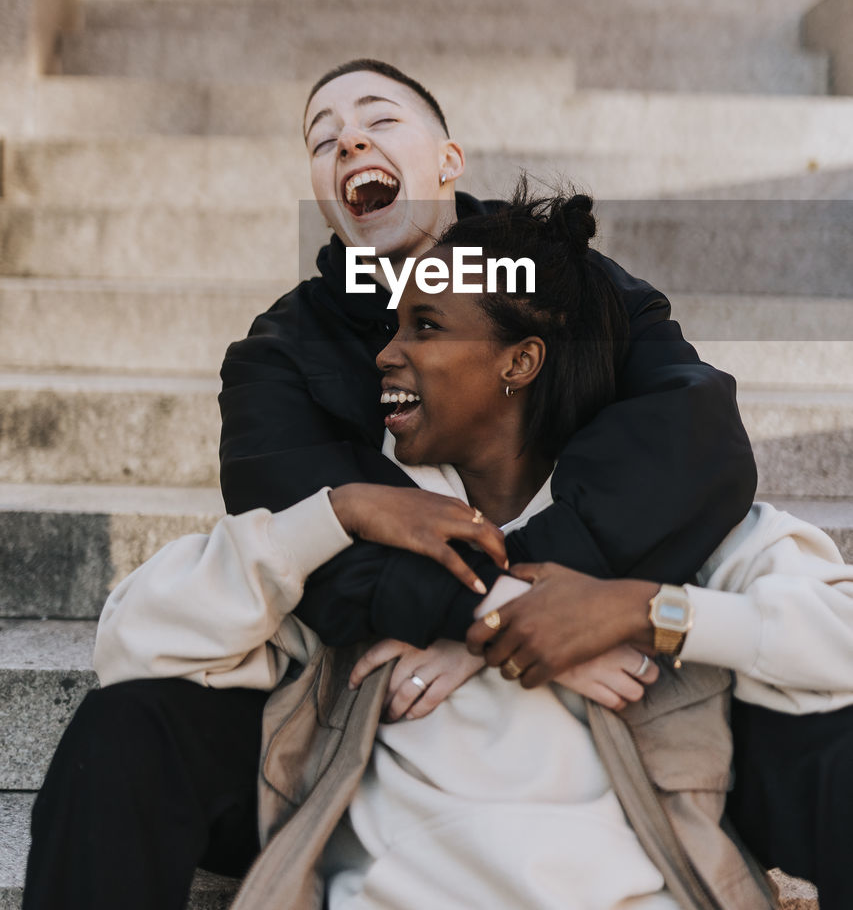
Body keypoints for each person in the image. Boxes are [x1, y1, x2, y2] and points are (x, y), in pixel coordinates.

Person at [23, 63, 756, 908]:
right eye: (322, 138)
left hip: (595, 672)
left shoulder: (564, 289)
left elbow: (691, 436)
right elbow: (315, 537)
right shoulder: (278, 354)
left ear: (448, 161)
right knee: (123, 732)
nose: (350, 141)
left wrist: (532, 612)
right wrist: (494, 619)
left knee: (815, 714)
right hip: (354, 697)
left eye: (377, 121)